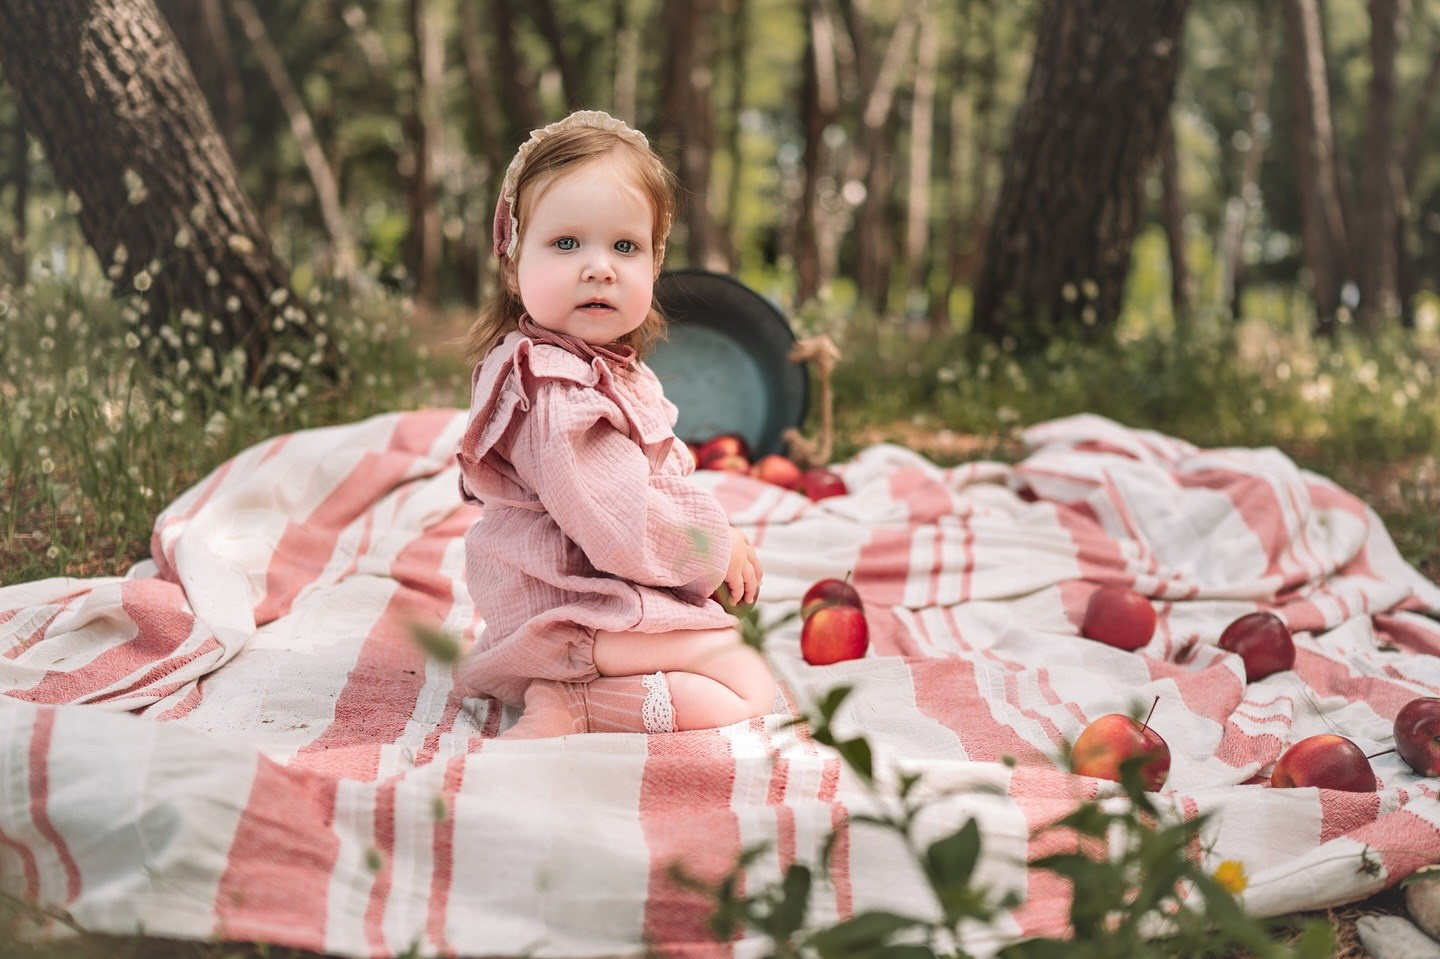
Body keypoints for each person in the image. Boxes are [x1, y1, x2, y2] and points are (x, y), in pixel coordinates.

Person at [455, 110, 777, 739]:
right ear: (512, 263)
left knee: (736, 666)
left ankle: (588, 690)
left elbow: (653, 478)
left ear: (654, 265)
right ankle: (575, 702)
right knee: (748, 684)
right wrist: (711, 549)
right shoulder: (553, 388)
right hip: (568, 609)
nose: (599, 267)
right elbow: (620, 513)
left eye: (624, 247)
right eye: (567, 243)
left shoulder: (601, 370)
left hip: (593, 592)